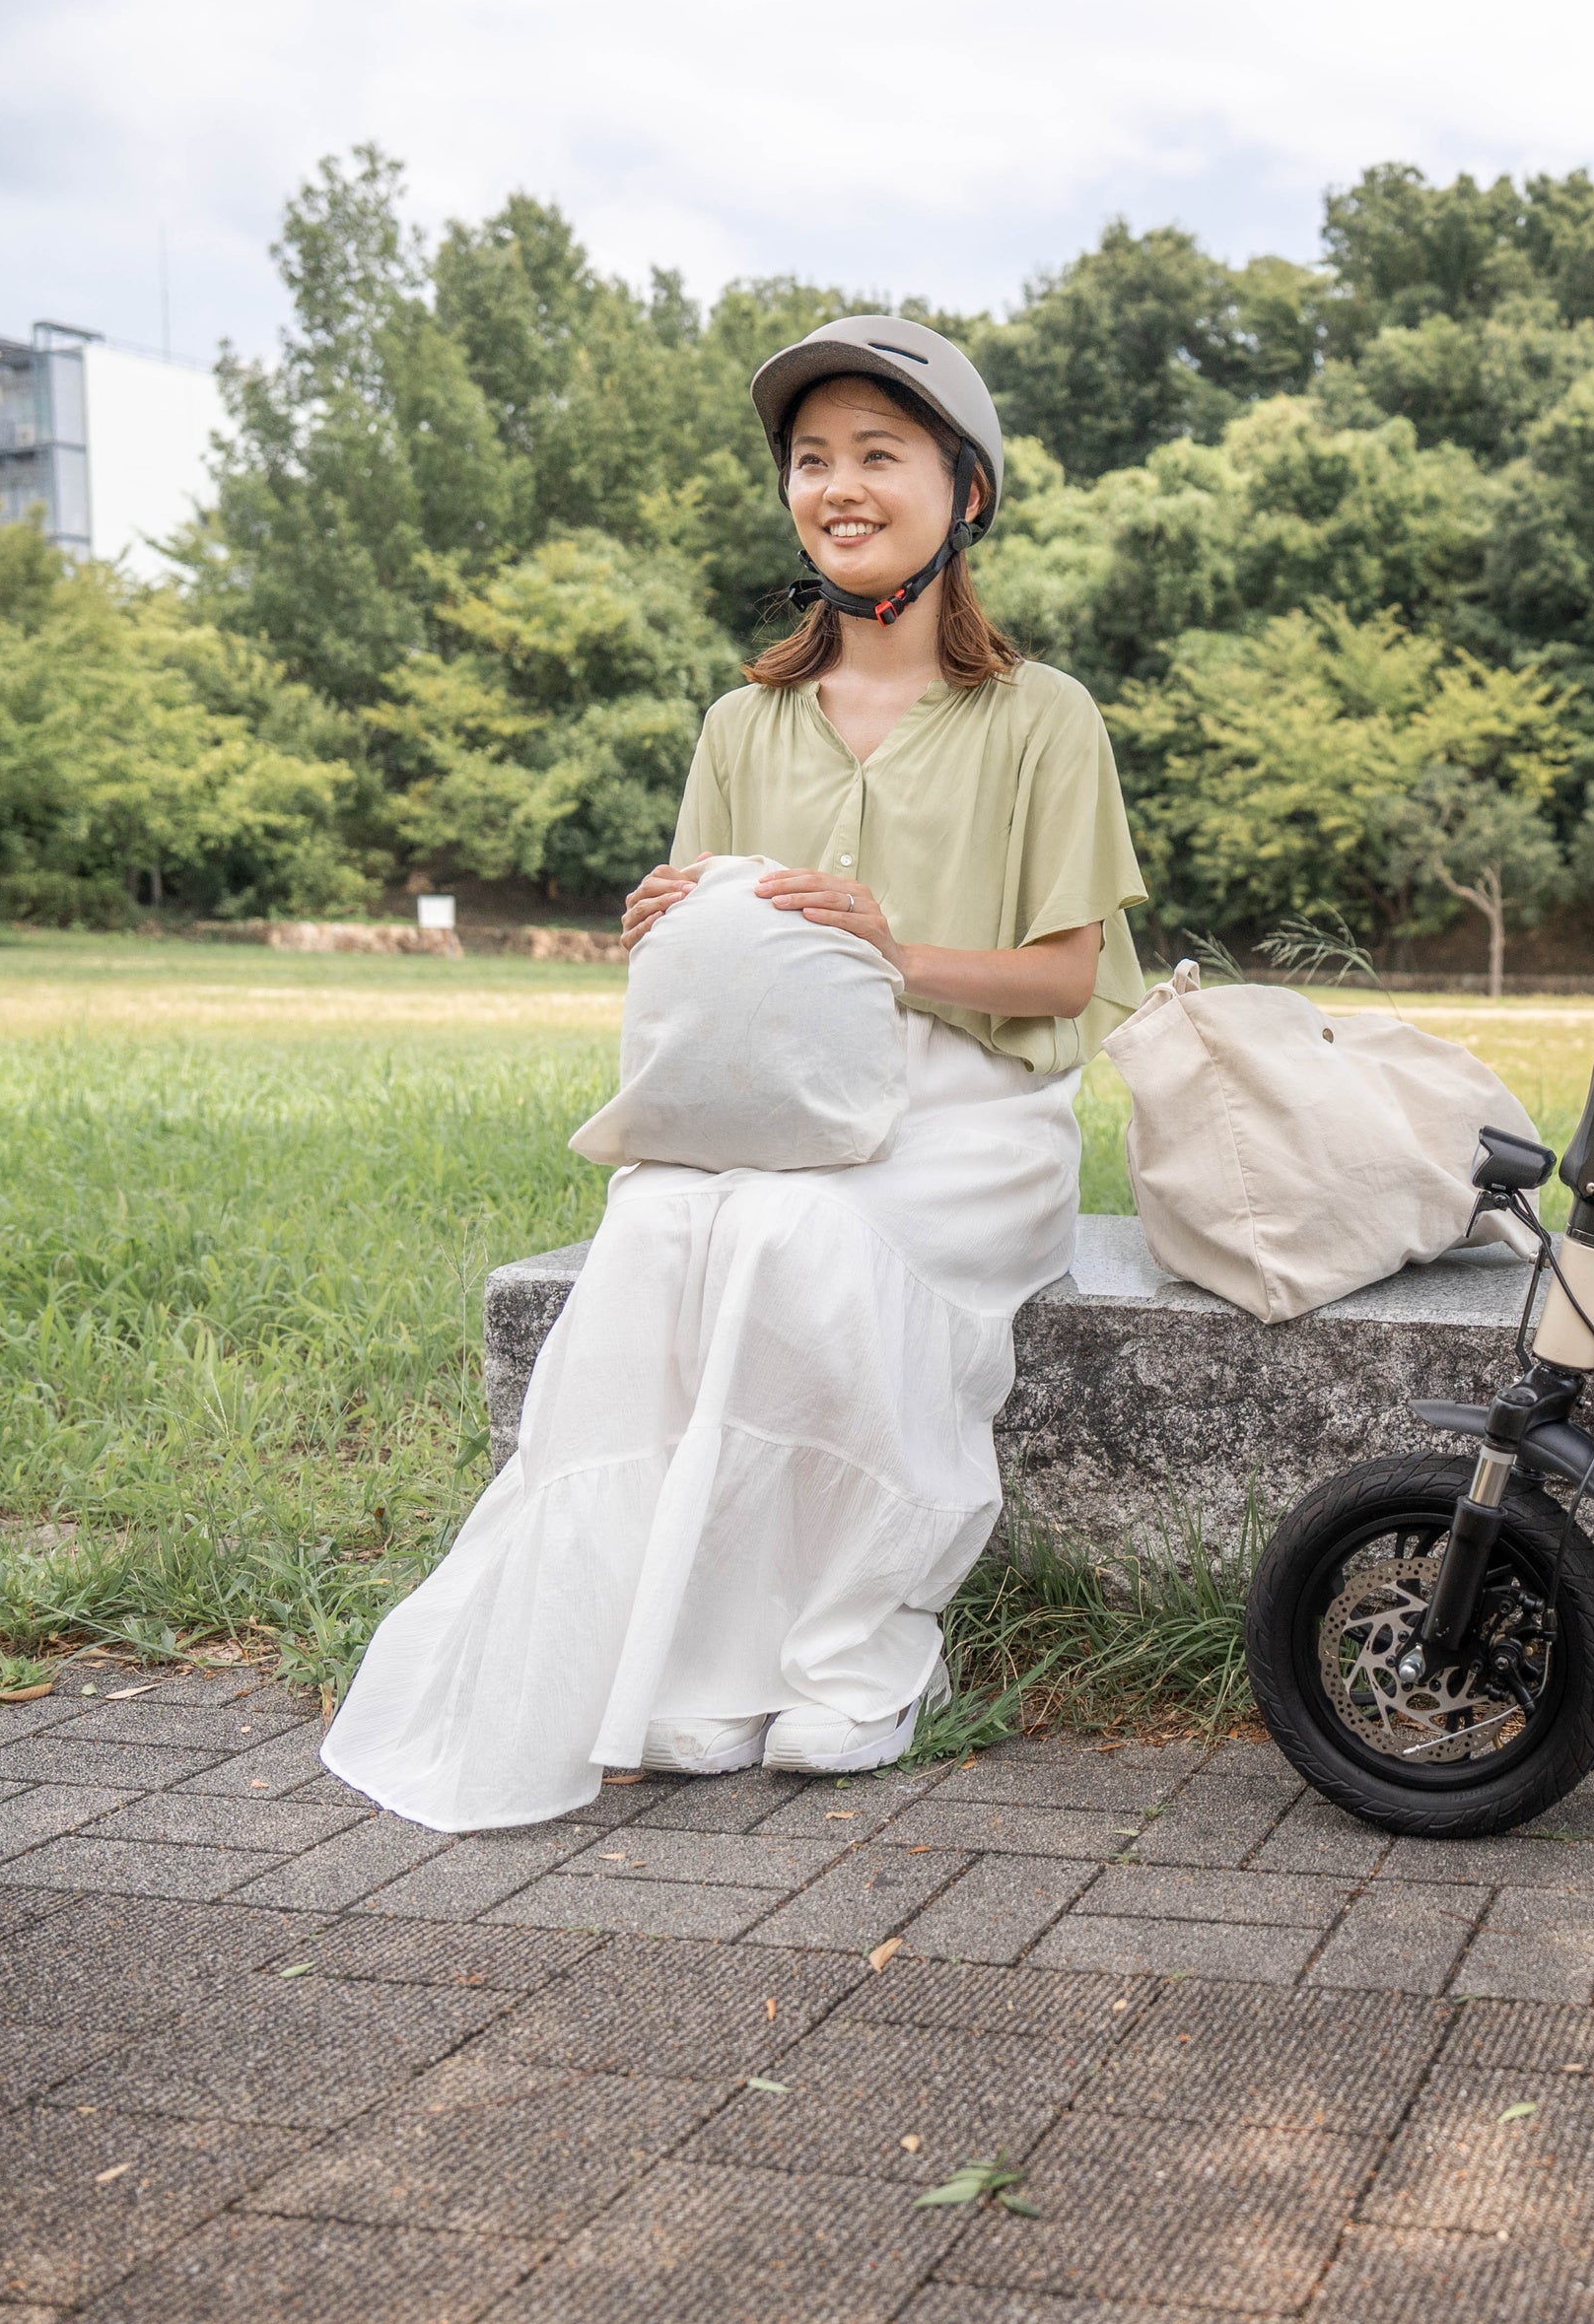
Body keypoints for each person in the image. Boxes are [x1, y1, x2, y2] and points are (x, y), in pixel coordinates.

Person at [325, 317, 1148, 1834]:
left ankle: (858, 1652)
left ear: (966, 491)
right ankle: (691, 1670)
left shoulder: (1044, 716)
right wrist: (663, 923)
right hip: (774, 1097)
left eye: (878, 455)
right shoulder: (741, 722)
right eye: (811, 460)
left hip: (974, 1112)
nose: (838, 487)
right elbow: (708, 984)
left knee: (794, 1240)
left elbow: (1065, 979)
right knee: (654, 1234)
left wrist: (894, 951)